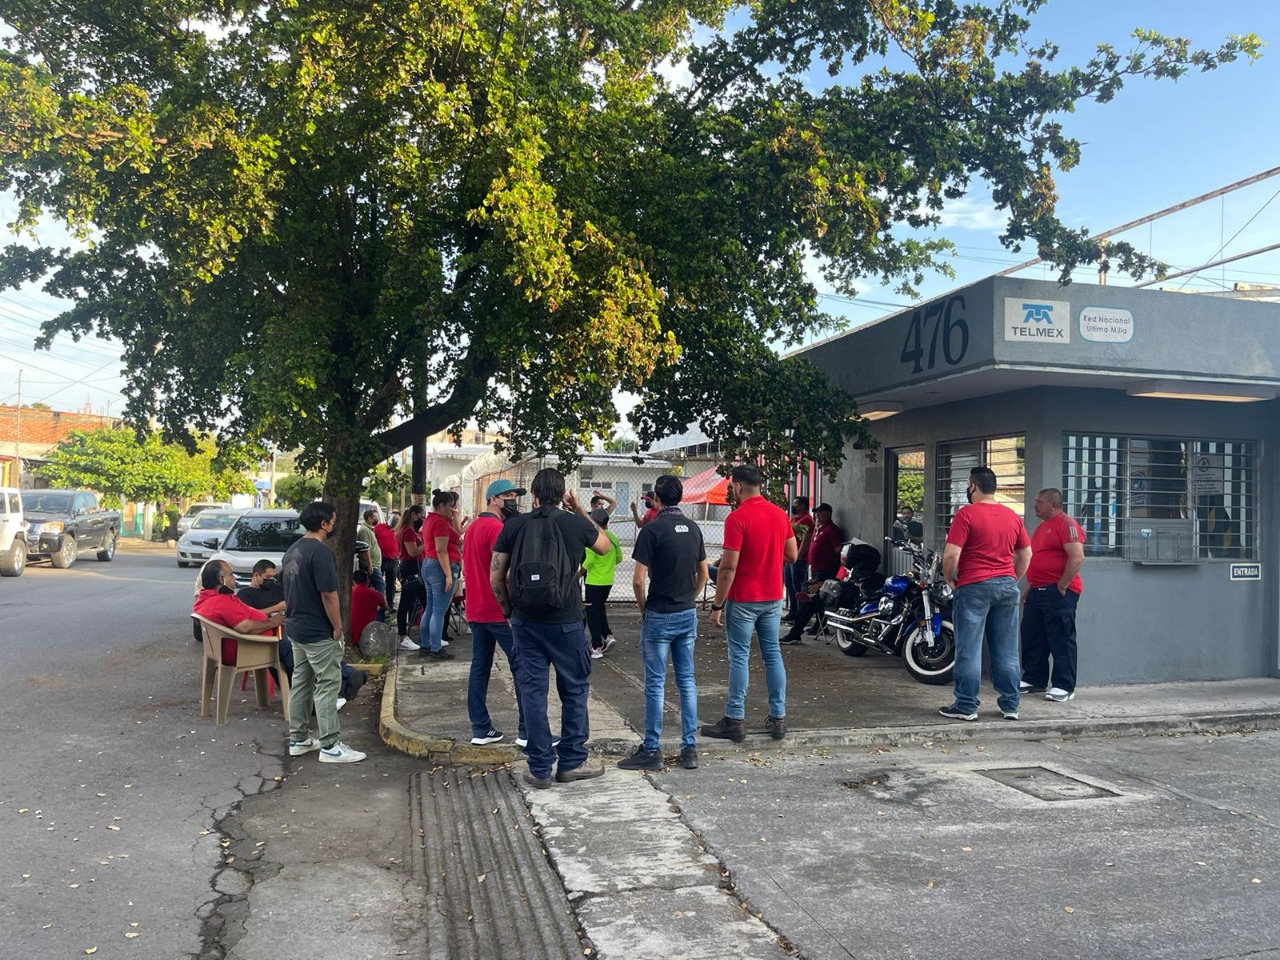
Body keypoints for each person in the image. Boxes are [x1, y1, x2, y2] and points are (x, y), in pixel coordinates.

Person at [491, 467, 613, 789]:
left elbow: (496, 577)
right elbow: (605, 547)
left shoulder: (514, 525)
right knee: (574, 689)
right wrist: (581, 510)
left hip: (525, 622)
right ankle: (572, 761)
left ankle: (540, 767)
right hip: (567, 621)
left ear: (533, 495)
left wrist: (509, 613)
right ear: (563, 495)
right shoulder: (574, 523)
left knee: (532, 693)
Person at [618, 474, 708, 772]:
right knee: (687, 681)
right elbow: (703, 574)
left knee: (656, 684)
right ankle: (689, 748)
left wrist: (644, 609)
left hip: (659, 614)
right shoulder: (693, 528)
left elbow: (638, 580)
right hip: (686, 612)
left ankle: (652, 749)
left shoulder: (651, 530)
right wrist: (691, 597)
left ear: (656, 498)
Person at [703, 465, 798, 743]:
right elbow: (792, 555)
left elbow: (728, 568)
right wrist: (768, 555)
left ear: (737, 487)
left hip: (744, 598)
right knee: (773, 654)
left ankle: (734, 718)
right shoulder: (780, 514)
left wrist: (717, 605)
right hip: (773, 597)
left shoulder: (737, 518)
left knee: (739, 656)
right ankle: (778, 717)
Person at [939, 466, 1031, 722]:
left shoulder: (966, 514)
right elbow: (1026, 555)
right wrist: (1011, 579)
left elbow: (951, 554)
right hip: (1006, 587)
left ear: (972, 486)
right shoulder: (1012, 516)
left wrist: (949, 577)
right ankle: (1010, 705)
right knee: (1007, 650)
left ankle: (966, 706)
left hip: (974, 586)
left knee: (969, 649)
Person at [280, 500, 365, 763]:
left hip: (296, 627)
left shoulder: (292, 550)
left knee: (301, 682)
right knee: (328, 684)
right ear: (324, 523)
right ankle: (330, 745)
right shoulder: (321, 553)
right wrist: (338, 626)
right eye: (333, 520)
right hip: (318, 629)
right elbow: (328, 594)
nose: (335, 524)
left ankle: (298, 738)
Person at [463, 479, 527, 746]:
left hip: (475, 609)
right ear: (493, 499)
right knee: (523, 668)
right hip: (498, 612)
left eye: (514, 495)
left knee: (479, 668)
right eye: (508, 495)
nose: (513, 499)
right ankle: (527, 731)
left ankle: (480, 728)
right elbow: (504, 574)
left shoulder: (472, 528)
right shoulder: (497, 528)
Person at [1020, 487, 1085, 703]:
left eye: (1040, 502)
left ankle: (1064, 685)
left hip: (1057, 591)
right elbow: (1037, 560)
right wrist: (1029, 587)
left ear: (1053, 504)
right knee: (1033, 635)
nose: (1035, 505)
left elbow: (1077, 557)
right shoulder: (1041, 528)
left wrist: (1062, 585)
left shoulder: (1066, 524)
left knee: (1061, 638)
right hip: (1037, 590)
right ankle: (1034, 678)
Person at [780, 503, 842, 645]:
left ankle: (796, 632)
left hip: (825, 571)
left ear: (828, 513)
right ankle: (816, 626)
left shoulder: (831, 530)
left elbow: (837, 550)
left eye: (820, 512)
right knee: (813, 600)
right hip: (815, 570)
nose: (817, 515)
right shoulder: (818, 528)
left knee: (809, 601)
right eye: (816, 513)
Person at [417, 489, 459, 661]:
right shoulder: (440, 523)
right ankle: (436, 647)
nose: (452, 510)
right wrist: (448, 575)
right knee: (439, 611)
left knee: (430, 608)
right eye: (450, 506)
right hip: (440, 566)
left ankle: (426, 644)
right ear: (441, 506)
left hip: (428, 563)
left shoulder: (429, 519)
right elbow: (441, 550)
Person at [195, 560, 286, 636]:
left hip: (255, 638)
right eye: (231, 574)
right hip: (257, 645)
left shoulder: (204, 598)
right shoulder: (222, 602)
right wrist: (273, 623)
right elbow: (245, 627)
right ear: (221, 579)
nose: (234, 578)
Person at [581, 508, 622, 658]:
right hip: (608, 581)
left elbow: (589, 560)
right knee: (599, 608)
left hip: (594, 581)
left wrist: (577, 574)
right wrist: (607, 566)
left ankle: (596, 646)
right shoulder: (613, 538)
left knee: (592, 612)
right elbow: (619, 558)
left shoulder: (593, 537)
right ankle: (607, 635)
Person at [394, 505, 426, 651]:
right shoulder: (407, 532)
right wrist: (426, 543)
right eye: (420, 516)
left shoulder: (409, 531)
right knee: (409, 602)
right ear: (413, 515)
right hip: (411, 568)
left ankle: (409, 634)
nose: (422, 519)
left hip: (413, 567)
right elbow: (413, 552)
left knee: (412, 601)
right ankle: (403, 636)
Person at [782, 496, 814, 622]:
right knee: (790, 586)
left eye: (796, 504)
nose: (794, 506)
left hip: (798, 559)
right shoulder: (795, 519)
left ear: (803, 505)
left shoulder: (807, 520)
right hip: (790, 558)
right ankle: (793, 612)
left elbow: (806, 540)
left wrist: (798, 556)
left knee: (798, 587)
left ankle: (800, 616)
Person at [349, 568, 388, 648]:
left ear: (353, 581)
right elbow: (386, 607)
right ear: (368, 581)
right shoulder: (376, 594)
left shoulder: (350, 593)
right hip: (369, 633)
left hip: (352, 633)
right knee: (381, 611)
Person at [358, 509, 385, 597]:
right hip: (371, 565)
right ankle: (379, 604)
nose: (377, 519)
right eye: (375, 517)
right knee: (380, 585)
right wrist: (369, 565)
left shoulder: (369, 529)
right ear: (369, 518)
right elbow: (366, 549)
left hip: (375, 564)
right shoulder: (365, 530)